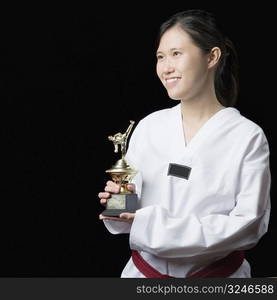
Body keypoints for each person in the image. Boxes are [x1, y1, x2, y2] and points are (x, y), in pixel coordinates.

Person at [98, 9, 271, 278]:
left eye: (176, 54)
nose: (166, 67)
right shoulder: (149, 127)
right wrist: (119, 203)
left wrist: (152, 225)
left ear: (212, 56)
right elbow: (129, 214)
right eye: (160, 57)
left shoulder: (247, 136)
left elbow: (248, 225)